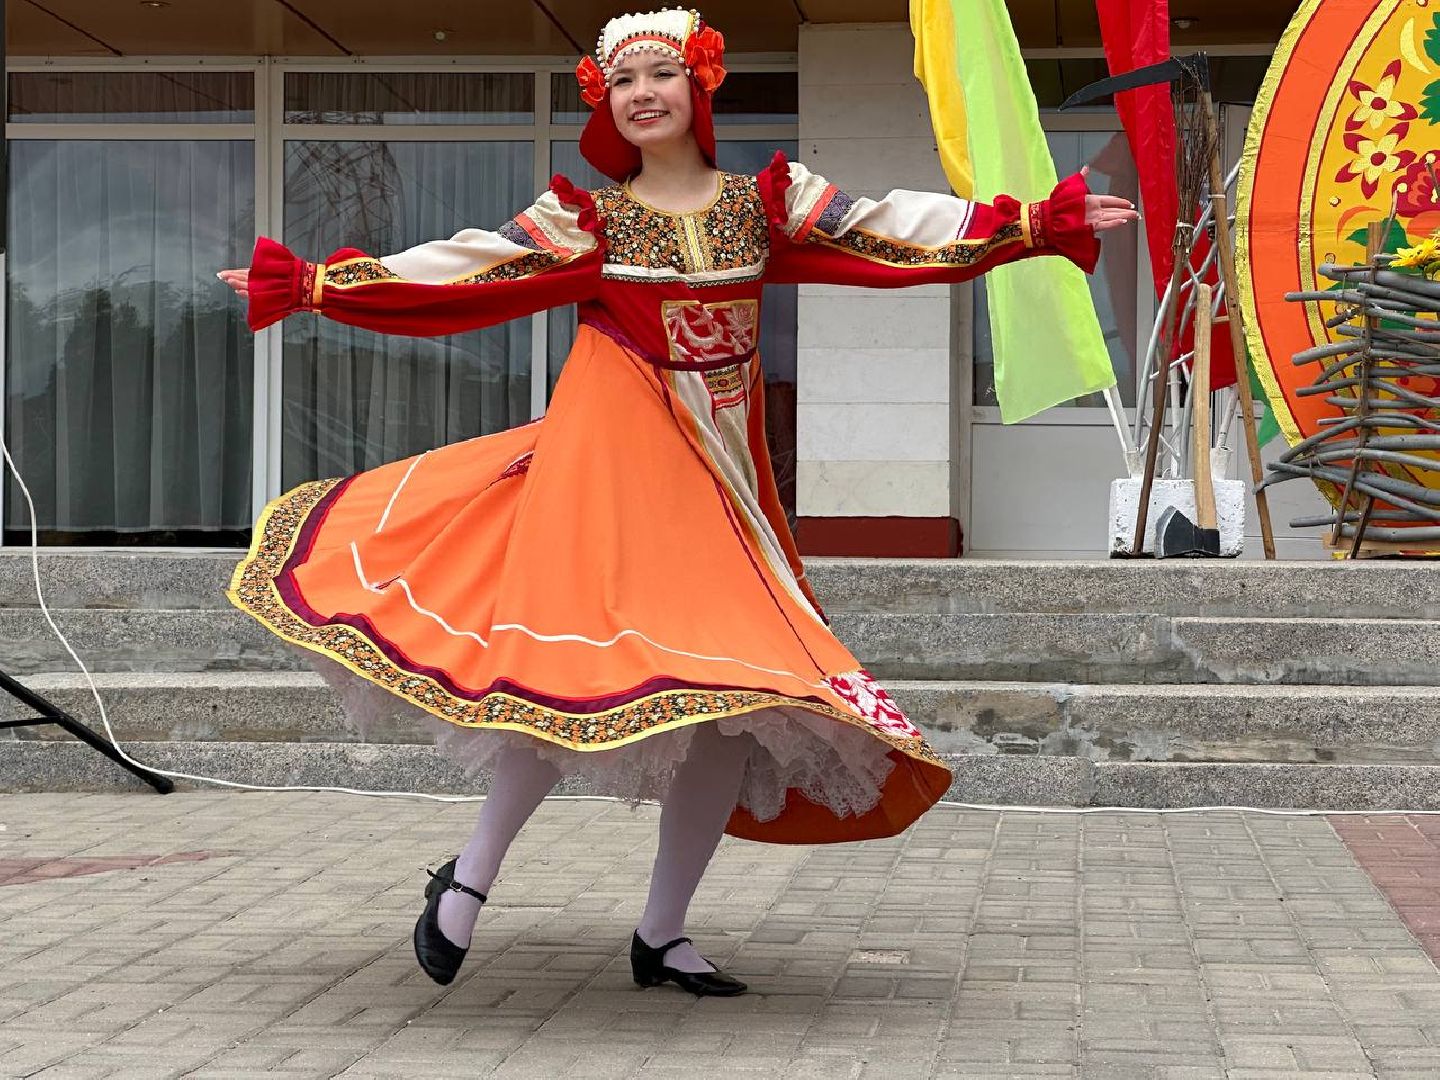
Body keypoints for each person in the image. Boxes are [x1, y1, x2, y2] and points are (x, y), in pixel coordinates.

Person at [218, 8, 1137, 997]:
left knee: (730, 710)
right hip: (615, 478)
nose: (643, 93)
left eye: (660, 73)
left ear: (698, 86)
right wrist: (320, 284)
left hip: (727, 497)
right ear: (607, 103)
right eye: (624, 82)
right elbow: (469, 267)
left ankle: (661, 933)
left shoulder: (763, 203)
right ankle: (469, 882)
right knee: (559, 681)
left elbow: (885, 229)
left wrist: (1035, 226)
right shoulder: (593, 221)